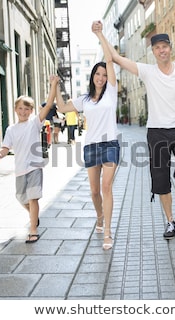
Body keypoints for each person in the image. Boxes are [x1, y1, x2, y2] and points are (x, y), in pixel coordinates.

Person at [92, 21, 175, 239]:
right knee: (160, 178)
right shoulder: (147, 71)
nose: (162, 50)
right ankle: (170, 221)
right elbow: (114, 57)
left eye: (165, 46)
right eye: (157, 47)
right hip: (157, 132)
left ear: (170, 48)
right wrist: (100, 34)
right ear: (153, 52)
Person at [55, 25, 120, 250]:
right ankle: (100, 216)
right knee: (94, 191)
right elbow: (62, 107)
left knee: (106, 187)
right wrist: (55, 86)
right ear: (92, 76)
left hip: (110, 144)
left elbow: (110, 60)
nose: (101, 77)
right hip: (91, 146)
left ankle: (108, 233)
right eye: (98, 74)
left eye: (104, 74)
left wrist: (99, 34)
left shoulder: (111, 92)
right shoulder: (84, 100)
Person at [0, 75, 59, 243]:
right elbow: (6, 147)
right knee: (21, 197)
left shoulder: (35, 123)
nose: (23, 112)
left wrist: (53, 84)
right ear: (16, 109)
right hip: (20, 169)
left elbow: (49, 103)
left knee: (33, 197)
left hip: (34, 167)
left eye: (27, 109)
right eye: (20, 109)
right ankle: (33, 216)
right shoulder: (11, 129)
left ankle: (33, 229)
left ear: (31, 111)